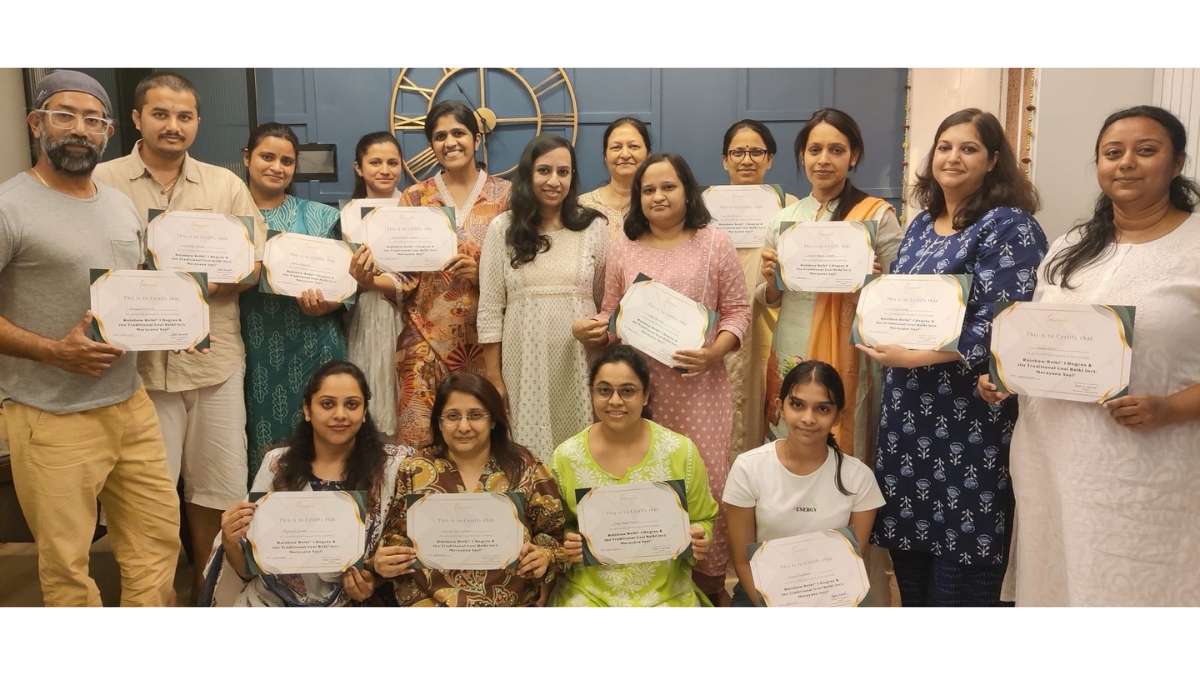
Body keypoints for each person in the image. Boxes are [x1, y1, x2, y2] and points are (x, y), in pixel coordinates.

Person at [979, 105, 1200, 606]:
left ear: (1177, 162)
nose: (1127, 163)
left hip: (1152, 474)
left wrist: (1170, 408)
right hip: (1052, 464)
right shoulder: (1069, 246)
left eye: (1146, 151)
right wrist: (1001, 376)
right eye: (1112, 152)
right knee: (1059, 586)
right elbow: (1033, 338)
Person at [0, 70, 180, 606]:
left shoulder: (118, 204)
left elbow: (134, 287)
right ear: (36, 123)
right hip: (50, 413)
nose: (79, 129)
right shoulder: (9, 207)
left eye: (93, 120)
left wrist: (173, 321)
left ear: (108, 132)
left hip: (129, 403)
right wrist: (52, 351)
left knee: (155, 544)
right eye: (64, 115)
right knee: (67, 565)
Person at [857, 108, 1047, 607]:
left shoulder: (1010, 226)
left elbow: (1005, 321)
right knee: (911, 551)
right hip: (907, 412)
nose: (953, 157)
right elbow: (904, 302)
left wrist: (917, 356)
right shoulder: (921, 224)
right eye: (945, 147)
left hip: (971, 416)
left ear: (993, 160)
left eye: (969, 148)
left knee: (966, 550)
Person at [93, 71, 268, 603]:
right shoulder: (102, 181)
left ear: (197, 122)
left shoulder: (224, 185)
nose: (173, 125)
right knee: (145, 493)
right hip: (136, 367)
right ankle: (153, 597)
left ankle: (206, 591)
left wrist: (200, 284)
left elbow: (254, 265)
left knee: (216, 485)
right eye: (161, 114)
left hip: (215, 362)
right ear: (136, 119)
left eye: (185, 116)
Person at [595, 153, 750, 604]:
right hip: (637, 394)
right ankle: (649, 583)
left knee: (704, 483)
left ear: (687, 190)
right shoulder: (624, 247)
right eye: (648, 190)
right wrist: (595, 327)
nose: (658, 197)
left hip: (700, 389)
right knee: (642, 480)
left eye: (668, 187)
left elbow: (738, 313)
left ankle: (706, 584)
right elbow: (611, 314)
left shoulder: (714, 242)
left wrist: (713, 353)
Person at [758, 109, 902, 459]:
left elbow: (898, 296)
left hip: (851, 351)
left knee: (845, 437)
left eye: (836, 150)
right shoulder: (784, 219)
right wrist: (772, 280)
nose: (823, 160)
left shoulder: (876, 216)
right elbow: (769, 298)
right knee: (790, 435)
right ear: (802, 156)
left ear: (853, 156)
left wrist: (875, 282)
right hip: (791, 344)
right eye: (815, 150)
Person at [209, 360, 413, 606]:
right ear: (307, 410)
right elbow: (248, 569)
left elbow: (412, 551)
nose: (340, 414)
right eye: (327, 404)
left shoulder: (393, 467)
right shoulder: (278, 465)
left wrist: (374, 579)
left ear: (364, 412)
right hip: (273, 601)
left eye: (351, 404)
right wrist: (231, 542)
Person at [371, 373, 564, 606]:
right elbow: (394, 538)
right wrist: (382, 561)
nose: (463, 426)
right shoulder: (415, 469)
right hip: (429, 603)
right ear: (439, 422)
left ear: (493, 420)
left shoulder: (526, 468)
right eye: (452, 416)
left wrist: (545, 556)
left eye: (475, 415)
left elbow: (554, 535)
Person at [549, 345, 718, 607]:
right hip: (590, 591)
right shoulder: (567, 457)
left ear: (646, 395)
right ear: (592, 393)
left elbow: (703, 517)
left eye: (627, 391)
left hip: (664, 590)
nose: (615, 401)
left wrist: (698, 536)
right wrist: (568, 542)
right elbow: (559, 526)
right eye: (604, 390)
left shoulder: (680, 451)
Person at [478, 134, 608, 462]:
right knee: (529, 450)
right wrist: (494, 377)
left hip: (579, 358)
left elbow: (607, 301)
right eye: (544, 171)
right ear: (528, 174)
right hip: (524, 359)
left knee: (581, 448)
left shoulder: (593, 227)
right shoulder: (502, 228)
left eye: (563, 172)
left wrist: (599, 329)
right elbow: (490, 308)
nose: (554, 181)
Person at [395, 101, 511, 448]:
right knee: (420, 438)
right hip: (424, 336)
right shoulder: (415, 197)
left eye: (458, 133)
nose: (450, 142)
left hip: (487, 343)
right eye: (440, 136)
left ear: (476, 139)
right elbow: (402, 274)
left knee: (484, 438)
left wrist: (483, 275)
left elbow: (523, 269)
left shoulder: (507, 196)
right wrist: (367, 277)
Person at [724, 360, 885, 606]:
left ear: (838, 416)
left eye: (822, 409)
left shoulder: (859, 478)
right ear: (780, 407)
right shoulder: (748, 468)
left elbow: (850, 565)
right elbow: (743, 562)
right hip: (760, 594)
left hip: (830, 596)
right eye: (797, 405)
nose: (808, 418)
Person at [238, 123, 348, 480]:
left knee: (325, 438)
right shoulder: (227, 217)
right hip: (253, 348)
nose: (277, 167)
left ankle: (333, 511)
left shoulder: (323, 217)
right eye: (267, 157)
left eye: (286, 161)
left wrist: (332, 303)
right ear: (247, 158)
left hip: (315, 343)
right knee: (262, 447)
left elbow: (348, 285)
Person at [719, 119, 798, 463]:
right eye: (738, 152)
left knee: (766, 394)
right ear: (725, 160)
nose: (746, 160)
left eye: (756, 152)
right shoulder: (706, 207)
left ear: (770, 159)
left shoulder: (790, 208)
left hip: (773, 317)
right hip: (721, 321)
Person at [341, 131, 405, 439]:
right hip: (364, 315)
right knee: (368, 385)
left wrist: (377, 281)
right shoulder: (346, 215)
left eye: (393, 163)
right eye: (375, 162)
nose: (385, 170)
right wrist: (360, 280)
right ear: (359, 168)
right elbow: (340, 278)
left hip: (408, 315)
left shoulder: (417, 209)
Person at [578, 117, 650, 240]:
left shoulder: (657, 205)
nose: (625, 155)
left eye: (634, 146)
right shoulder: (583, 206)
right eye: (616, 147)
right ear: (605, 156)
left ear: (648, 155)